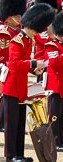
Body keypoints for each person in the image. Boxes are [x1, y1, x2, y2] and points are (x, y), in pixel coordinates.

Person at [1, 3, 55, 162]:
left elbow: (23, 64)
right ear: (32, 26)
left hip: (21, 87)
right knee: (11, 126)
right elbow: (13, 64)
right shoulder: (17, 40)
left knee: (18, 124)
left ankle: (19, 153)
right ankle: (10, 156)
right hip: (11, 88)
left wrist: (34, 70)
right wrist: (32, 64)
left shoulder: (27, 39)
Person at [0, 0, 26, 132]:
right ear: (8, 17)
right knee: (4, 96)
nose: (19, 18)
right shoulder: (5, 33)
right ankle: (0, 122)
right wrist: (3, 66)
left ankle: (0, 122)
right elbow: (1, 54)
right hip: (7, 67)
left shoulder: (18, 31)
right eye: (17, 16)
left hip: (15, 67)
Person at [44, 11, 63, 152]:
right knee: (55, 116)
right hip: (55, 86)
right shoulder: (52, 45)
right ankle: (54, 142)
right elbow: (53, 62)